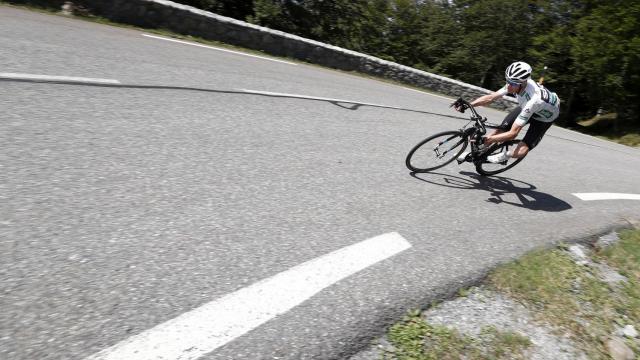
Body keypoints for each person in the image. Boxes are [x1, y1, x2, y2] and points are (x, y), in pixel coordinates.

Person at [455, 61, 560, 164]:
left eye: (513, 83)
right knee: (500, 130)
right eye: (507, 81)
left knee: (524, 146)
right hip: (527, 106)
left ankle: (506, 155)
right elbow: (491, 97)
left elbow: (513, 134)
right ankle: (475, 153)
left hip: (544, 118)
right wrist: (468, 104)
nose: (509, 86)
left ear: (523, 83)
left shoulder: (533, 100)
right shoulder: (515, 82)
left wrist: (488, 139)